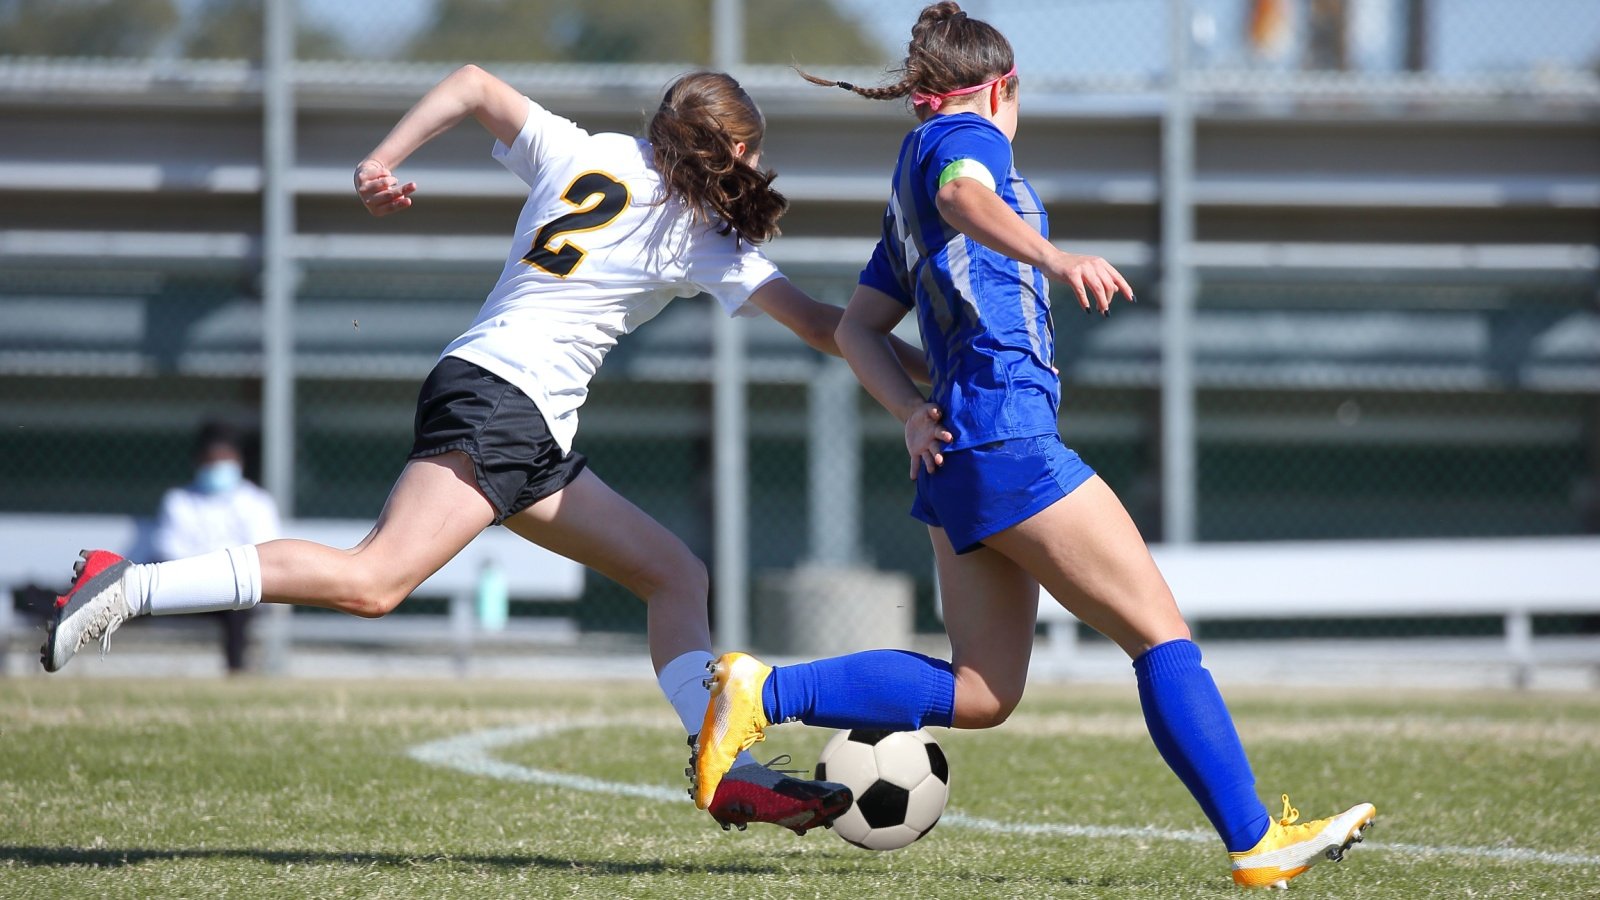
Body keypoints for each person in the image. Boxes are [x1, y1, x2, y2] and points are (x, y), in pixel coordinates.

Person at [43, 64, 931, 836]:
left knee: (675, 576)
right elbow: (823, 325)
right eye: (748, 150)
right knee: (374, 580)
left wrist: (381, 160)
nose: (750, 167)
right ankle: (132, 585)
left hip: (513, 412)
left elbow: (472, 84)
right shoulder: (696, 234)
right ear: (725, 147)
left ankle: (719, 761)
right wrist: (935, 372)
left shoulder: (586, 152)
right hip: (505, 404)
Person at [691, 3, 1375, 889]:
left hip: (957, 450)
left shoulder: (908, 176)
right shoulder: (961, 141)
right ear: (1001, 89)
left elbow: (857, 330)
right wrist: (1053, 258)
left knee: (982, 691)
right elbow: (964, 195)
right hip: (1010, 437)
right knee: (1162, 638)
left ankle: (762, 692)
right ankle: (1254, 839)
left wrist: (907, 409)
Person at [152, 421, 280, 674]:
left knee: (237, 607)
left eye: (225, 458)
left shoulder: (256, 502)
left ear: (239, 461)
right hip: (186, 591)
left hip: (236, 592)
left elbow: (265, 553)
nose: (218, 466)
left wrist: (222, 577)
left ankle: (236, 672)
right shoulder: (178, 501)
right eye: (212, 459)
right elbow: (169, 552)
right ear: (199, 462)